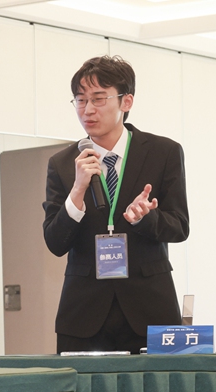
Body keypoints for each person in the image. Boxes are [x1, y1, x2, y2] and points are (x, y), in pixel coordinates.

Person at [42, 55, 189, 353]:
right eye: (80, 101)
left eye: (98, 99)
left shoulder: (163, 152)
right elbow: (55, 242)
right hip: (83, 314)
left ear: (126, 101)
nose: (88, 110)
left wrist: (145, 217)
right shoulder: (63, 163)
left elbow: (180, 227)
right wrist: (77, 192)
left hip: (150, 310)